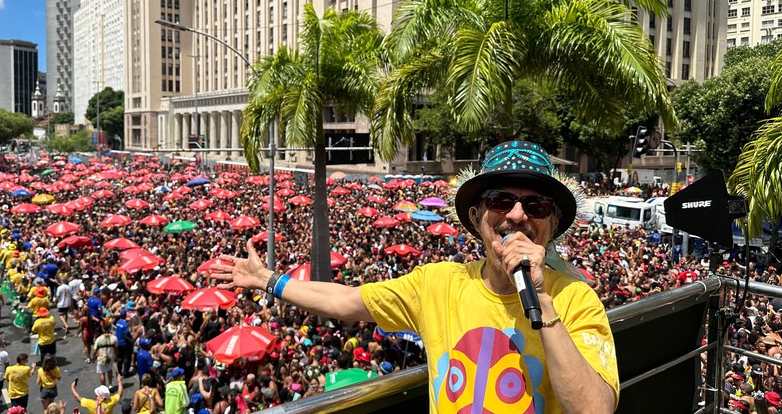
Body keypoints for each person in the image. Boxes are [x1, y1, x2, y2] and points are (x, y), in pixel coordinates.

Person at [213, 140, 620, 413]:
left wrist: (542, 302)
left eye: (537, 205)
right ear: (477, 217)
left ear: (551, 223)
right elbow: (345, 301)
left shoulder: (575, 299)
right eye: (501, 200)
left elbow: (594, 409)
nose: (517, 215)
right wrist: (269, 279)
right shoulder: (436, 284)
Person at [93, 323, 117, 388]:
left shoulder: (99, 339)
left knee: (102, 372)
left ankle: (103, 387)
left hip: (101, 357)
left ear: (103, 329)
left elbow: (95, 350)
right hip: (110, 356)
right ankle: (110, 385)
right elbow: (116, 348)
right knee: (109, 370)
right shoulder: (114, 338)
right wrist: (116, 356)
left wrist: (93, 358)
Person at [114, 310, 133, 377]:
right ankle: (125, 372)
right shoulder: (125, 325)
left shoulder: (118, 322)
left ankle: (119, 372)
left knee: (120, 358)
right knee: (126, 358)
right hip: (124, 343)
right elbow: (125, 335)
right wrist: (131, 341)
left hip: (118, 342)